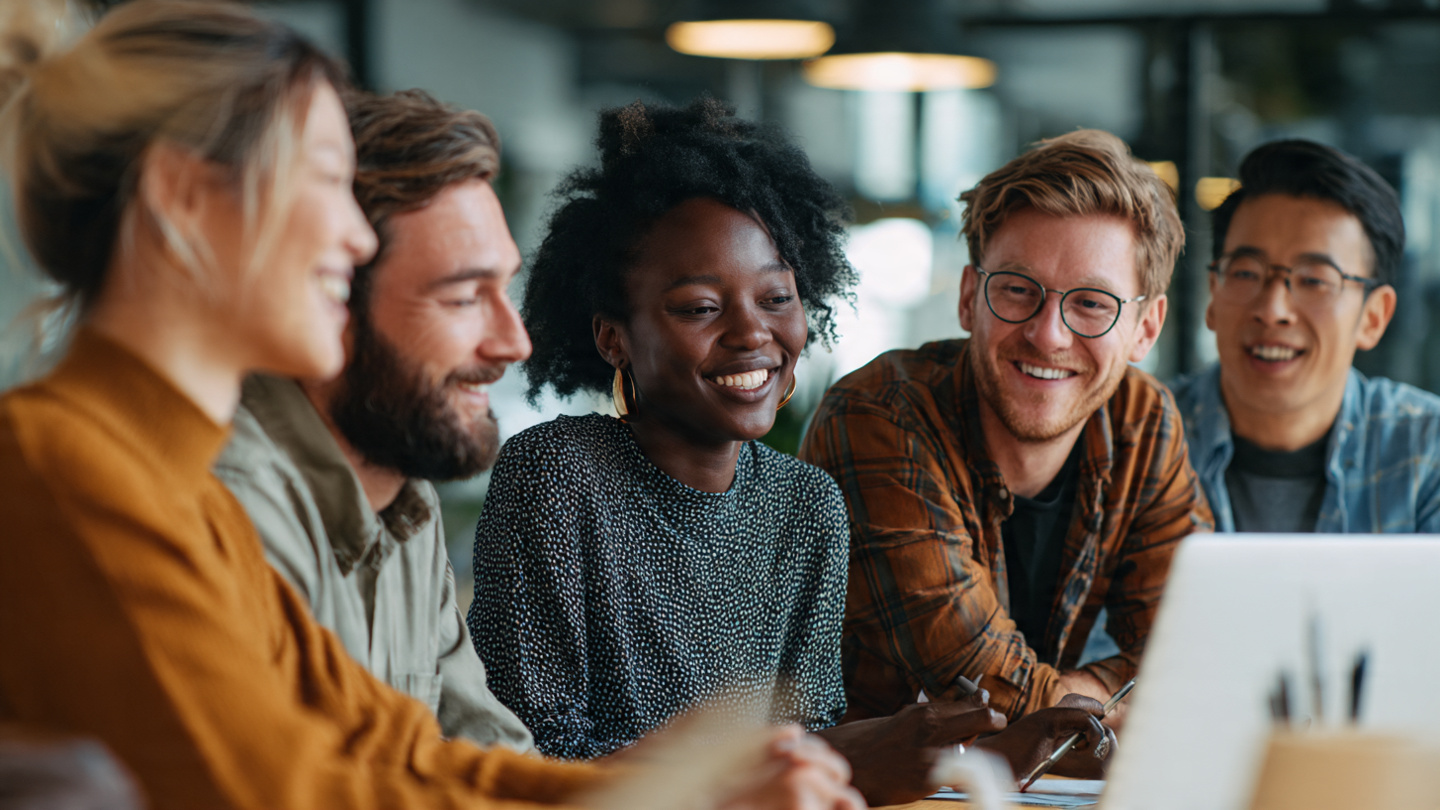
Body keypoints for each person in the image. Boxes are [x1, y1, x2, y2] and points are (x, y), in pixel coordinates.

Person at [0, 4, 861, 810]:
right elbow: (286, 788)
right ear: (182, 202)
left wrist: (677, 787)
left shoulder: (170, 481)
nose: (354, 235)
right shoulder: (73, 472)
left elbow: (396, 750)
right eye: (325, 180)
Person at [469, 98, 1115, 807]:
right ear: (613, 337)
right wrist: (829, 759)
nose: (753, 333)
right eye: (699, 307)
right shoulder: (558, 475)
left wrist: (995, 749)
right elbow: (528, 768)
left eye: (776, 297)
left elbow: (807, 748)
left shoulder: (805, 503)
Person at [800, 130, 1213, 725]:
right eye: (1018, 291)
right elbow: (978, 693)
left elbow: (1199, 654)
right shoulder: (879, 415)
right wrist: (1117, 699)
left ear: (1145, 329)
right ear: (970, 297)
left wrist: (1071, 701)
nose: (1049, 334)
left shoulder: (1140, 423)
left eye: (1092, 303)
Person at [213, 88, 532, 750]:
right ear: (330, 302)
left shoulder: (404, 496)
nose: (513, 342)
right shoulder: (231, 502)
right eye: (464, 297)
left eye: (506, 289)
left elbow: (486, 759)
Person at [1171, 139, 1440, 533]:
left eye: (1315, 280)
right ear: (1213, 293)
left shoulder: (1426, 452)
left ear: (1373, 318)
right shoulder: (1136, 438)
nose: (1273, 310)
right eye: (1246, 272)